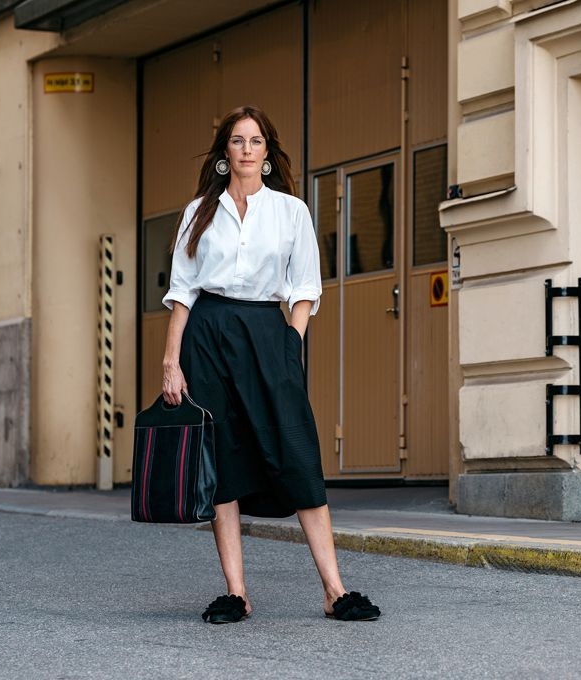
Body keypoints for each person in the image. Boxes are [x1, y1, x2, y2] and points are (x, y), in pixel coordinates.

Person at [160, 105, 381, 624]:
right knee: (223, 463)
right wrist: (172, 361)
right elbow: (183, 292)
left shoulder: (291, 211)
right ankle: (236, 593)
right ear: (224, 153)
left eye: (256, 141)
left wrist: (290, 343)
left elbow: (305, 288)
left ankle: (334, 590)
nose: (247, 150)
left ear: (267, 152)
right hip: (207, 335)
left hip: (267, 333)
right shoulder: (199, 212)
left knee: (297, 451)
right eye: (237, 141)